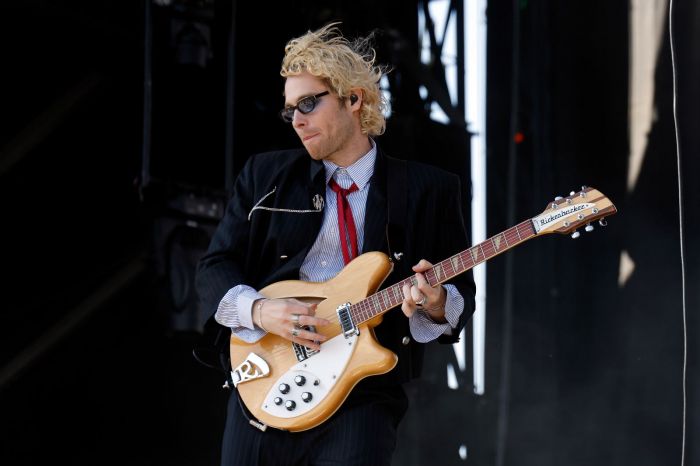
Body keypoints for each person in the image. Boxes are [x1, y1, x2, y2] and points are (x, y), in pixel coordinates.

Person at [195, 22, 476, 466]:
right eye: (290, 111)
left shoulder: (429, 189)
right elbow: (215, 265)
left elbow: (460, 299)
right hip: (269, 378)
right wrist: (261, 310)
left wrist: (437, 302)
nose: (297, 120)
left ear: (353, 98)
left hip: (362, 396)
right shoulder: (265, 176)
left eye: (308, 103)